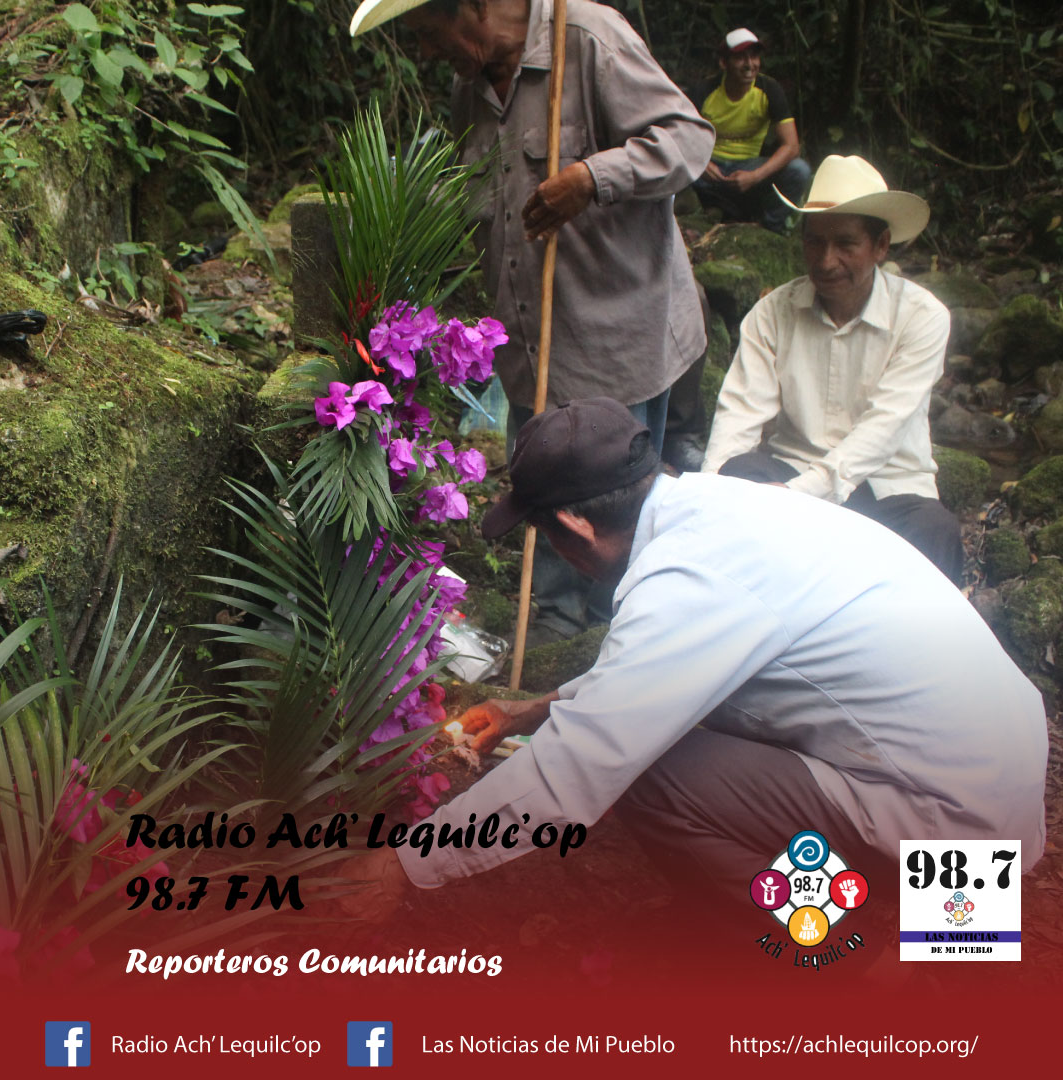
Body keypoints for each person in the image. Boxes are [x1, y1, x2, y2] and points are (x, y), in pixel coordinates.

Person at [338, 398, 1047, 918]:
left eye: (544, 534)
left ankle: (842, 949)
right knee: (662, 739)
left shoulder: (687, 581)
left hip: (954, 838)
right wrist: (535, 710)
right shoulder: (717, 508)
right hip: (996, 777)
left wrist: (407, 865)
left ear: (576, 525)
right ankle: (930, 931)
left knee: (649, 773)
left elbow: (579, 767)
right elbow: (659, 675)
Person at [350, 0, 714, 642]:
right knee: (544, 490)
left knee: (615, 505)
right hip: (528, 334)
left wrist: (592, 176)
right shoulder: (470, 88)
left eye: (428, 32)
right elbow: (471, 196)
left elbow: (689, 139)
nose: (426, 53)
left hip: (618, 331)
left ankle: (622, 631)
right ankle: (554, 623)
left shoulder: (587, 36)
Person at [701, 154, 964, 584]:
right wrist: (707, 498)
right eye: (814, 242)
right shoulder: (773, 313)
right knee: (735, 475)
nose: (825, 261)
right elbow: (739, 414)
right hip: (792, 472)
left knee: (935, 532)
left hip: (887, 489)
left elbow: (883, 429)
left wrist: (797, 496)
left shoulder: (922, 317)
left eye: (845, 244)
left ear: (880, 245)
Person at [690, 27, 810, 234]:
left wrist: (754, 176)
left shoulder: (769, 89)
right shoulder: (704, 91)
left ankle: (768, 229)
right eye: (740, 58)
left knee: (799, 170)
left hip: (749, 170)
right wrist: (701, 164)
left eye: (754, 57)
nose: (749, 64)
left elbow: (791, 147)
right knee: (671, 164)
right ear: (724, 63)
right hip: (709, 171)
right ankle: (705, 213)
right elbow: (679, 137)